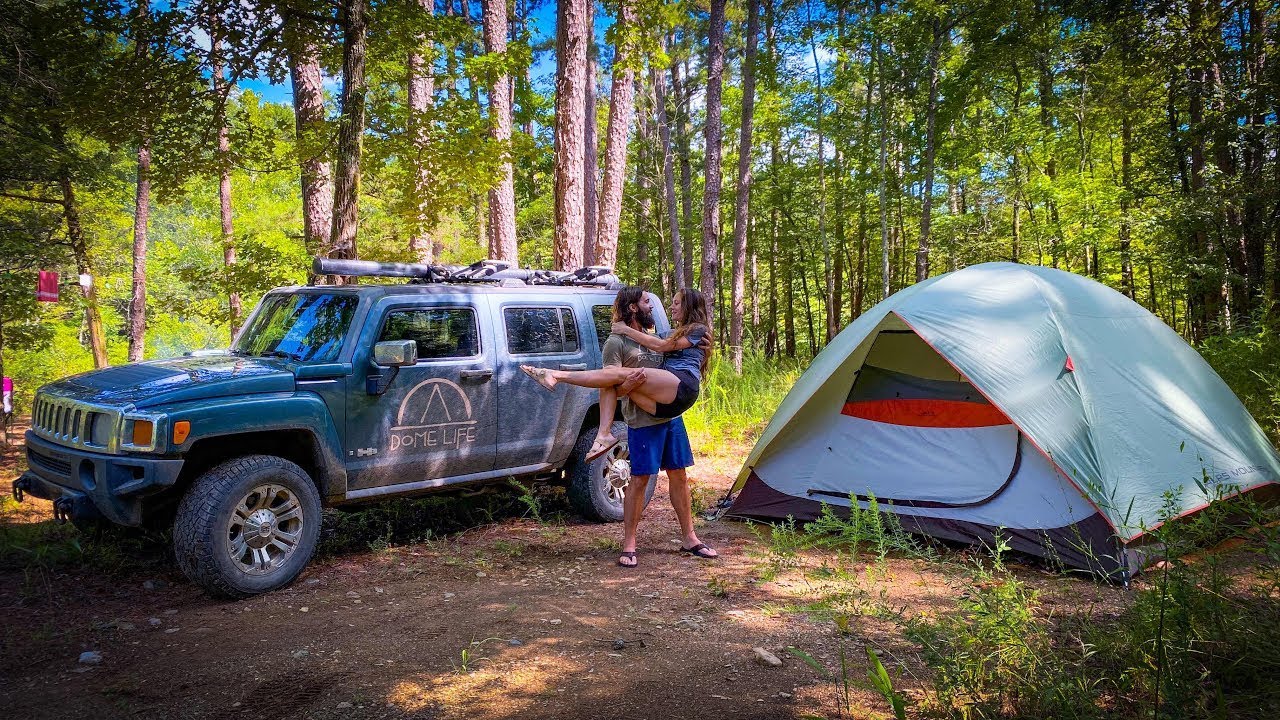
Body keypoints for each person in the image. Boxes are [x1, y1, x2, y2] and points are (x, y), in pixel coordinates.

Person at [523, 288, 717, 567]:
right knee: (639, 479)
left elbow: (677, 352)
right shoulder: (616, 343)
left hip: (671, 417)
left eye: (669, 303)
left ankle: (690, 538)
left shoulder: (657, 338)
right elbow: (609, 384)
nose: (656, 307)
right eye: (648, 302)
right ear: (634, 307)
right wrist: (627, 387)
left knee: (679, 475)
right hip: (642, 420)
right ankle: (629, 543)